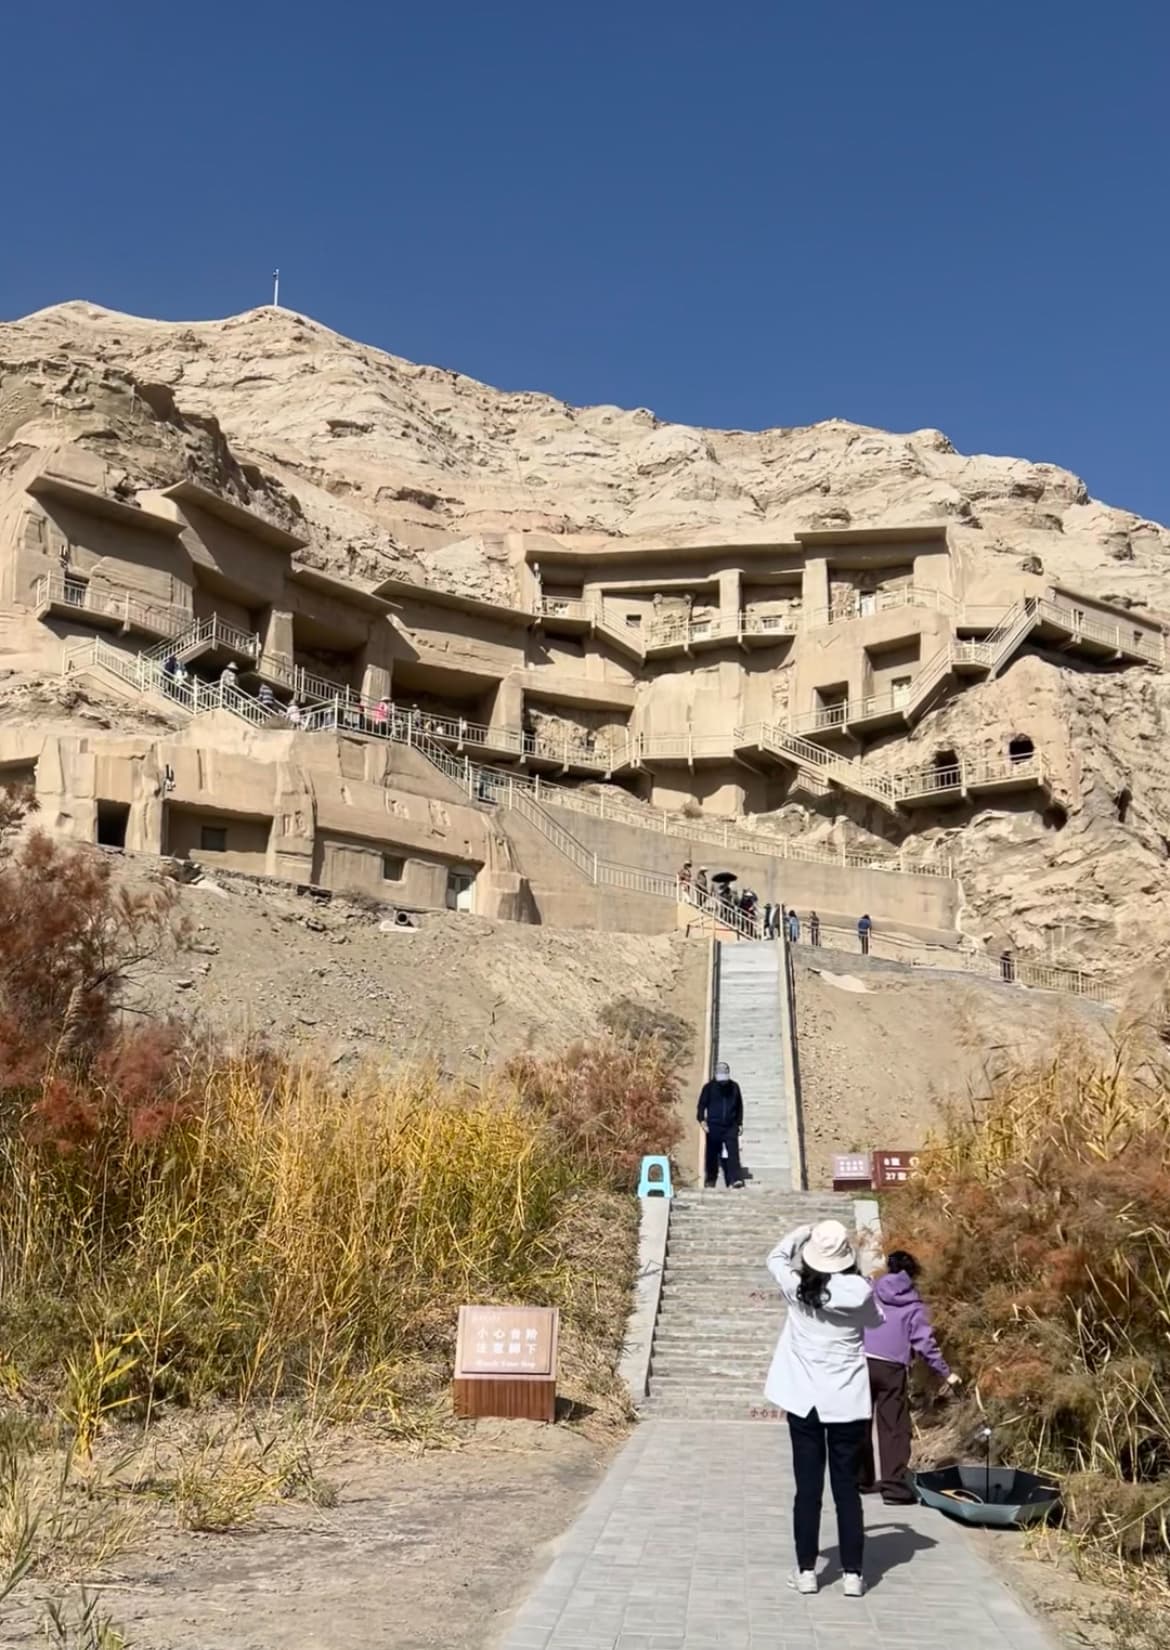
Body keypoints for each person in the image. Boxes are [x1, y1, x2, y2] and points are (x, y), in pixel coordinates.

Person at [765, 1221, 884, 1598]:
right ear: (845, 1258)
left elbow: (775, 1257)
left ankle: (806, 1571)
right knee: (846, 1490)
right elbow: (877, 1320)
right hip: (846, 1402)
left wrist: (803, 1231)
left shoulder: (797, 1288)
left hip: (805, 1402)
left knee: (808, 1490)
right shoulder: (861, 1293)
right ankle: (852, 1574)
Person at [861, 1251, 960, 1505]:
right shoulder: (915, 1306)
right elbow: (925, 1344)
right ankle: (893, 1488)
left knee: (859, 1420)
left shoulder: (870, 1290)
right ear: (914, 1275)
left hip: (860, 1361)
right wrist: (946, 1373)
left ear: (888, 1267)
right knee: (894, 1427)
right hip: (892, 1368)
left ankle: (861, 1479)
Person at [696, 1061, 744, 1190]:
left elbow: (739, 1106)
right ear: (716, 1075)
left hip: (730, 1125)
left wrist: (739, 1123)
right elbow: (701, 1105)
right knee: (712, 1153)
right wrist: (701, 1120)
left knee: (733, 1152)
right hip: (714, 1125)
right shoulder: (709, 1088)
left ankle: (735, 1179)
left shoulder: (734, 1087)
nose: (723, 1082)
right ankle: (711, 1179)